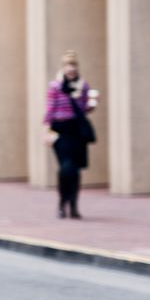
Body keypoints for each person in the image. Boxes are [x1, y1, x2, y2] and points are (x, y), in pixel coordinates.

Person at [44, 50, 96, 219]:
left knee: (76, 171)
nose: (71, 69)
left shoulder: (83, 86)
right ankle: (62, 202)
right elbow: (50, 109)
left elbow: (84, 110)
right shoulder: (55, 86)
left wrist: (91, 106)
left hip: (77, 131)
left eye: (73, 65)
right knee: (66, 168)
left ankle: (73, 205)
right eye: (68, 65)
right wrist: (46, 130)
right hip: (60, 131)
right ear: (63, 67)